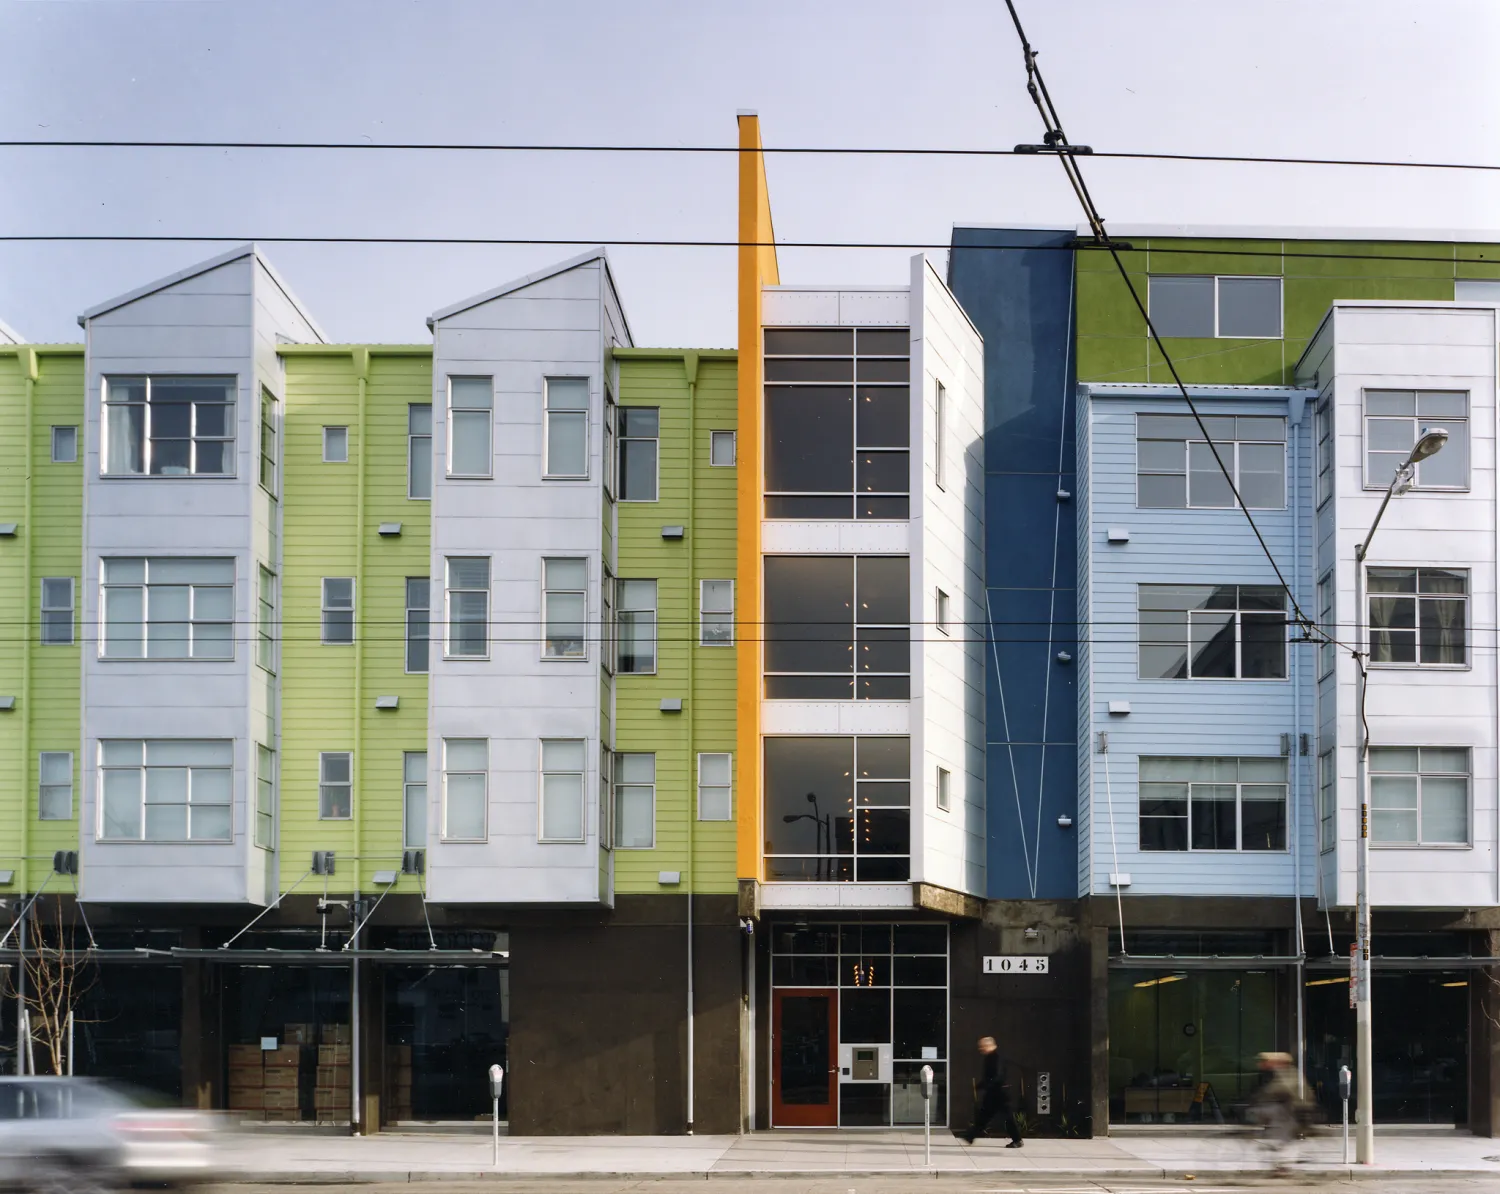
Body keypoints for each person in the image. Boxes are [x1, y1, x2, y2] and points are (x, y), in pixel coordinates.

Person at [962, 1036, 1022, 1147]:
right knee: (984, 1116)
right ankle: (970, 1136)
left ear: (989, 1046)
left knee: (1007, 1117)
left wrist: (985, 1085)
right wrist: (981, 1085)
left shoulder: (996, 1058)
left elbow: (997, 1076)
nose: (981, 1049)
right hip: (994, 1093)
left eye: (982, 1046)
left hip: (1000, 1093)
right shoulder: (990, 1057)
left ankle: (1017, 1140)